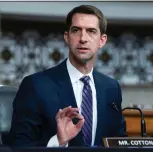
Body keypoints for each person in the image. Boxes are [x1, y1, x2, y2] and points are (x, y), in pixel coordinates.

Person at [7, 5, 126, 147]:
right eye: (76, 30)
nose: (83, 38)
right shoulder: (35, 85)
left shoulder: (111, 87)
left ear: (102, 40)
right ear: (67, 37)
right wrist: (58, 141)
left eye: (91, 31)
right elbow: (19, 145)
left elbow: (119, 141)